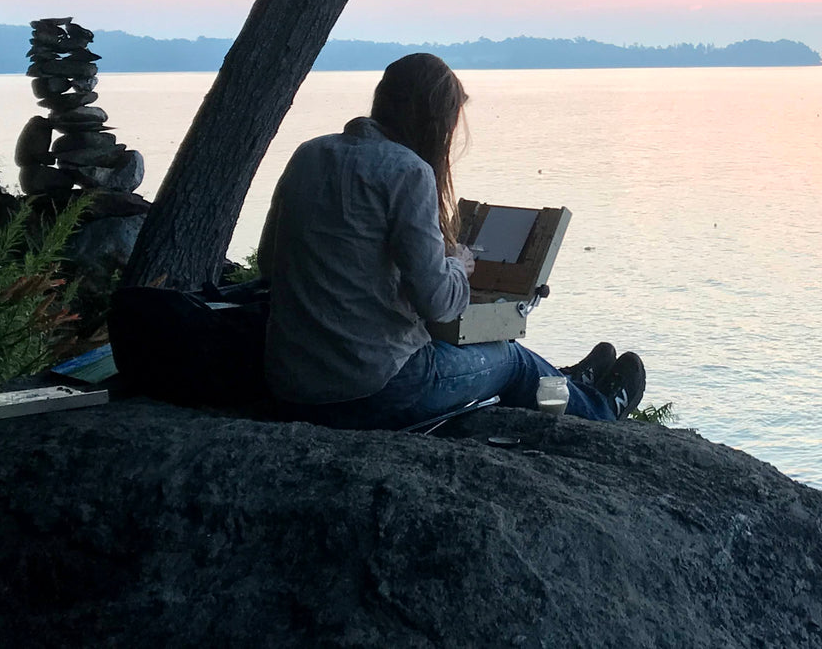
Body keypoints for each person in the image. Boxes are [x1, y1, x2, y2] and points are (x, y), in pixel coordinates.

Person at [257, 52, 645, 430]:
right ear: (433, 118)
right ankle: (599, 409)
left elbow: (268, 262)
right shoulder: (408, 171)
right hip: (374, 391)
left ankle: (570, 384)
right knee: (510, 360)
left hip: (293, 385)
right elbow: (439, 304)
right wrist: (457, 266)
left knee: (500, 357)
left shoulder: (309, 154)